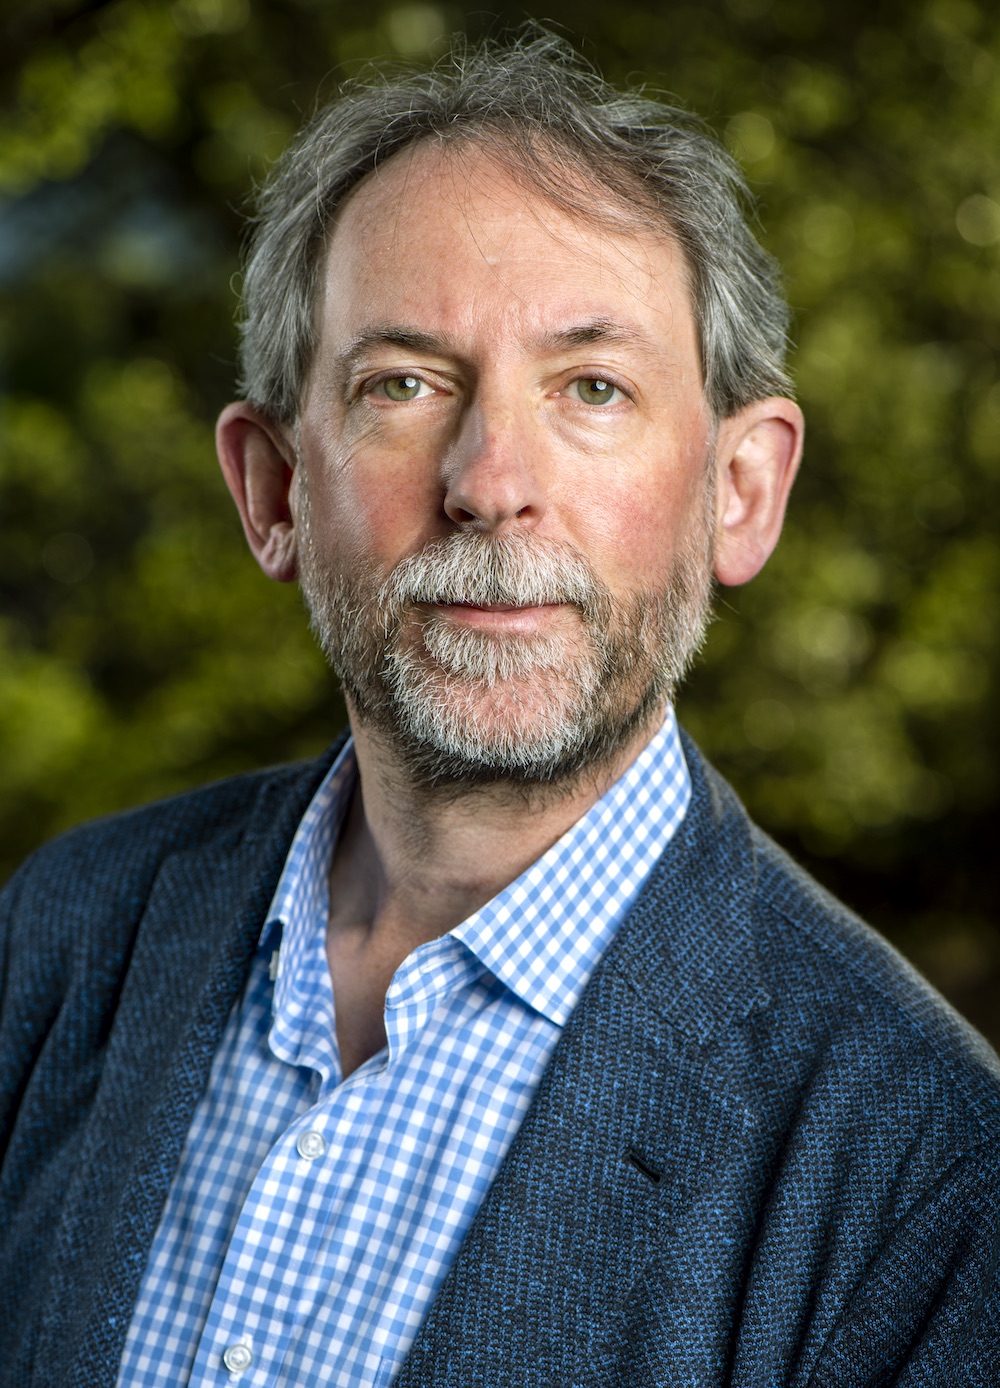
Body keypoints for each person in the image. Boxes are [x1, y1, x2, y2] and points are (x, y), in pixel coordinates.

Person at [1, 28, 998, 1388]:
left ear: (740, 493)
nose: (489, 479)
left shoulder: (923, 1173)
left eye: (592, 388)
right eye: (402, 384)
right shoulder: (58, 942)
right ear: (272, 490)